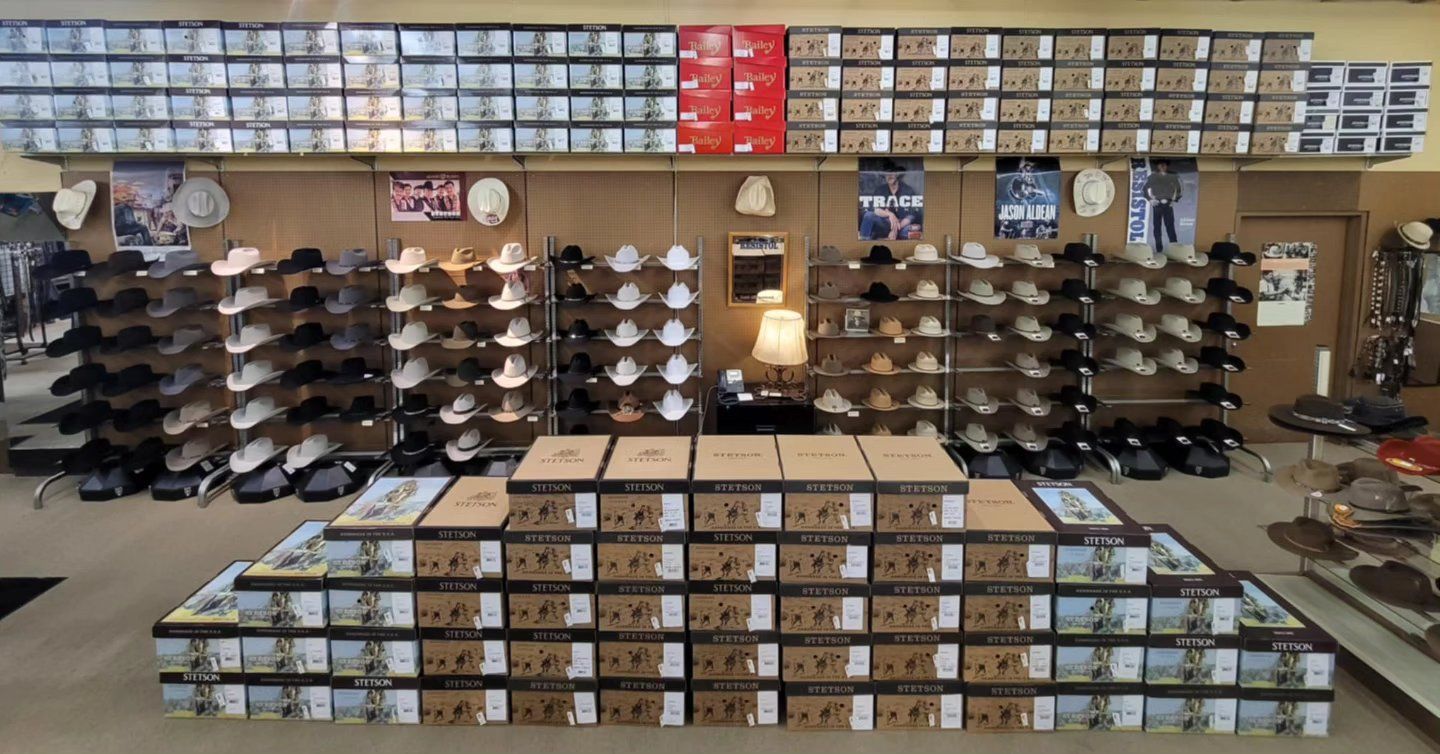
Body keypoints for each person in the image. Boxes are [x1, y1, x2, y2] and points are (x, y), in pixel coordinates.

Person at [859, 161, 921, 241]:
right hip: (885, 224)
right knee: (868, 215)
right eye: (886, 174)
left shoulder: (908, 190)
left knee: (908, 231)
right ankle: (864, 243)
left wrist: (895, 228)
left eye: (892, 173)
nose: (889, 176)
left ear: (897, 175)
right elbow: (875, 209)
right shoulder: (880, 190)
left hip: (901, 225)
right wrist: (889, 214)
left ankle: (891, 236)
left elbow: (911, 215)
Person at [1144, 159, 1183, 254]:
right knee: (1157, 227)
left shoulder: (1173, 176)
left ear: (1167, 166)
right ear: (1157, 166)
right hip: (1157, 204)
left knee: (1170, 226)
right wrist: (1150, 200)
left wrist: (1174, 200)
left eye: (1164, 165)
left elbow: (1179, 190)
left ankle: (1174, 248)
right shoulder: (1153, 176)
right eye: (1160, 165)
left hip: (1168, 204)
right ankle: (1159, 249)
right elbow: (1145, 189)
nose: (1162, 166)